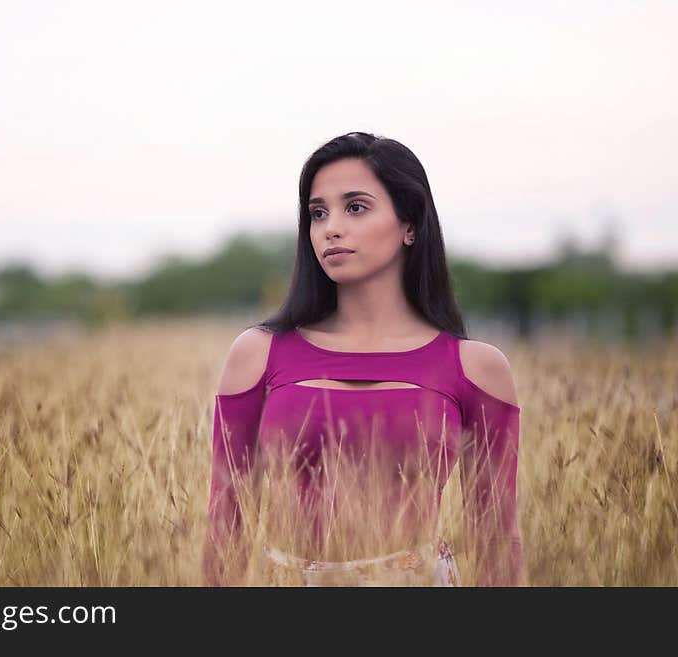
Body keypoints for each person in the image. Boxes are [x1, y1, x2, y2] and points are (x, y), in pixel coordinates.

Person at [202, 132, 525, 587]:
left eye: (355, 207)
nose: (331, 227)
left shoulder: (475, 367)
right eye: (318, 213)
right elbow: (225, 523)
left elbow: (496, 539)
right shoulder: (258, 354)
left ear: (409, 223)